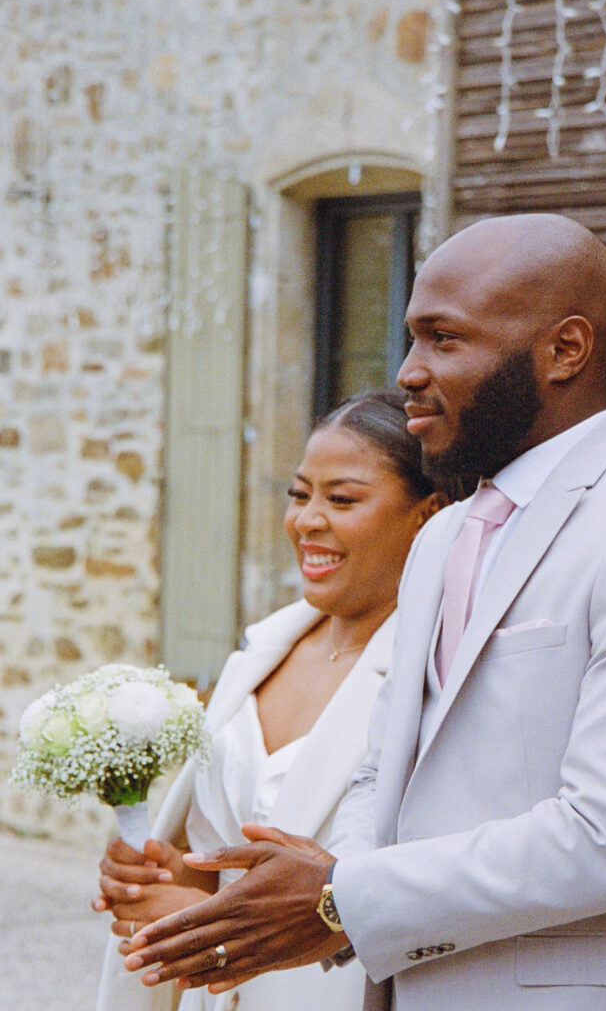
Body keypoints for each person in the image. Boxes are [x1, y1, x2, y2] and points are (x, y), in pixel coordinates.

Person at [121, 213, 606, 1011]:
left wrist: (343, 894)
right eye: (411, 339)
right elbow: (386, 774)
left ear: (565, 350)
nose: (409, 371)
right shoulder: (446, 533)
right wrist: (310, 904)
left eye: (443, 340)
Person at [93, 389, 448, 1011]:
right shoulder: (256, 654)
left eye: (342, 499)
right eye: (299, 493)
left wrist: (210, 919)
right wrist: (150, 877)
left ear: (429, 513)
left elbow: (431, 897)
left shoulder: (439, 677)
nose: (307, 520)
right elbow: (205, 852)